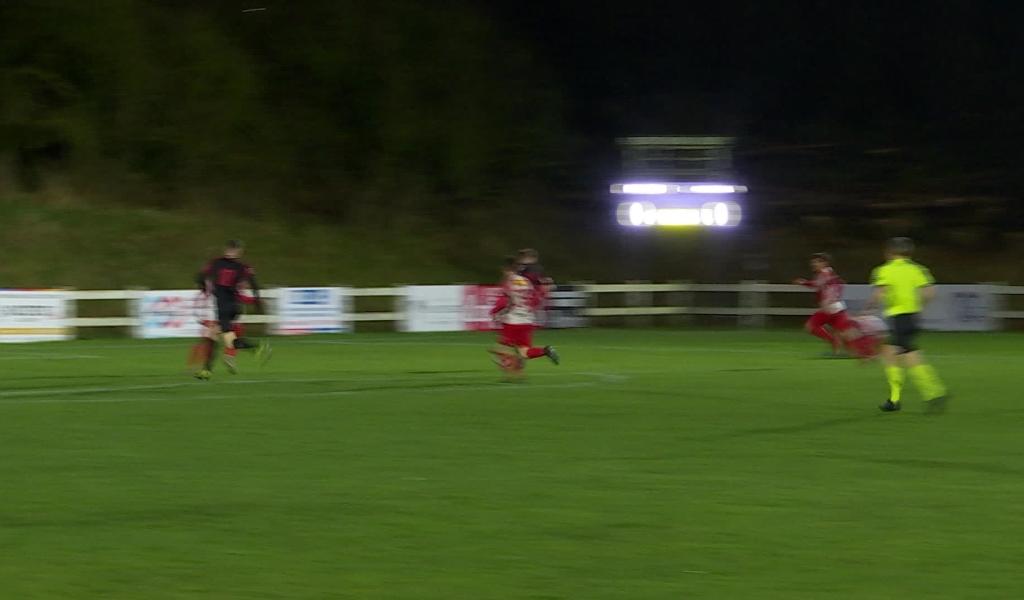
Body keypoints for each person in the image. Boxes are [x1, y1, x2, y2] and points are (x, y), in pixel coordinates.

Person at [866, 237, 949, 413]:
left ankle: (932, 393)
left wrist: (868, 308)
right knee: (899, 353)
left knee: (902, 355)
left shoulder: (885, 270)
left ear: (889, 252)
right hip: (912, 318)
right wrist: (918, 306)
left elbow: (881, 292)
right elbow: (930, 292)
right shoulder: (918, 269)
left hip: (898, 318)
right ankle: (896, 399)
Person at [195, 240, 266, 375]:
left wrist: (203, 288)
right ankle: (206, 370)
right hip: (234, 306)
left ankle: (257, 348)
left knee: (230, 342)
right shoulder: (243, 267)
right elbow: (254, 284)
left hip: (224, 307)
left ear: (226, 249)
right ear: (239, 252)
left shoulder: (215, 262)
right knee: (213, 335)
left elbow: (200, 276)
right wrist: (257, 302)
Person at [488, 257, 559, 378]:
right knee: (524, 352)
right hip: (527, 321)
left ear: (505, 270)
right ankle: (545, 351)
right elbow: (536, 300)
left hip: (513, 320)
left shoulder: (509, 282)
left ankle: (513, 371)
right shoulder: (527, 283)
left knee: (499, 349)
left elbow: (505, 301)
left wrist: (495, 312)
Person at [793, 253, 872, 357]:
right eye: (813, 262)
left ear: (824, 263)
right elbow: (834, 285)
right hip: (837, 307)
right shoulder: (830, 274)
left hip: (830, 307)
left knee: (811, 326)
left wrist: (804, 283)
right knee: (846, 332)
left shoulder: (824, 273)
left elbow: (818, 285)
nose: (814, 264)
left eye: (817, 262)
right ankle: (863, 351)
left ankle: (835, 342)